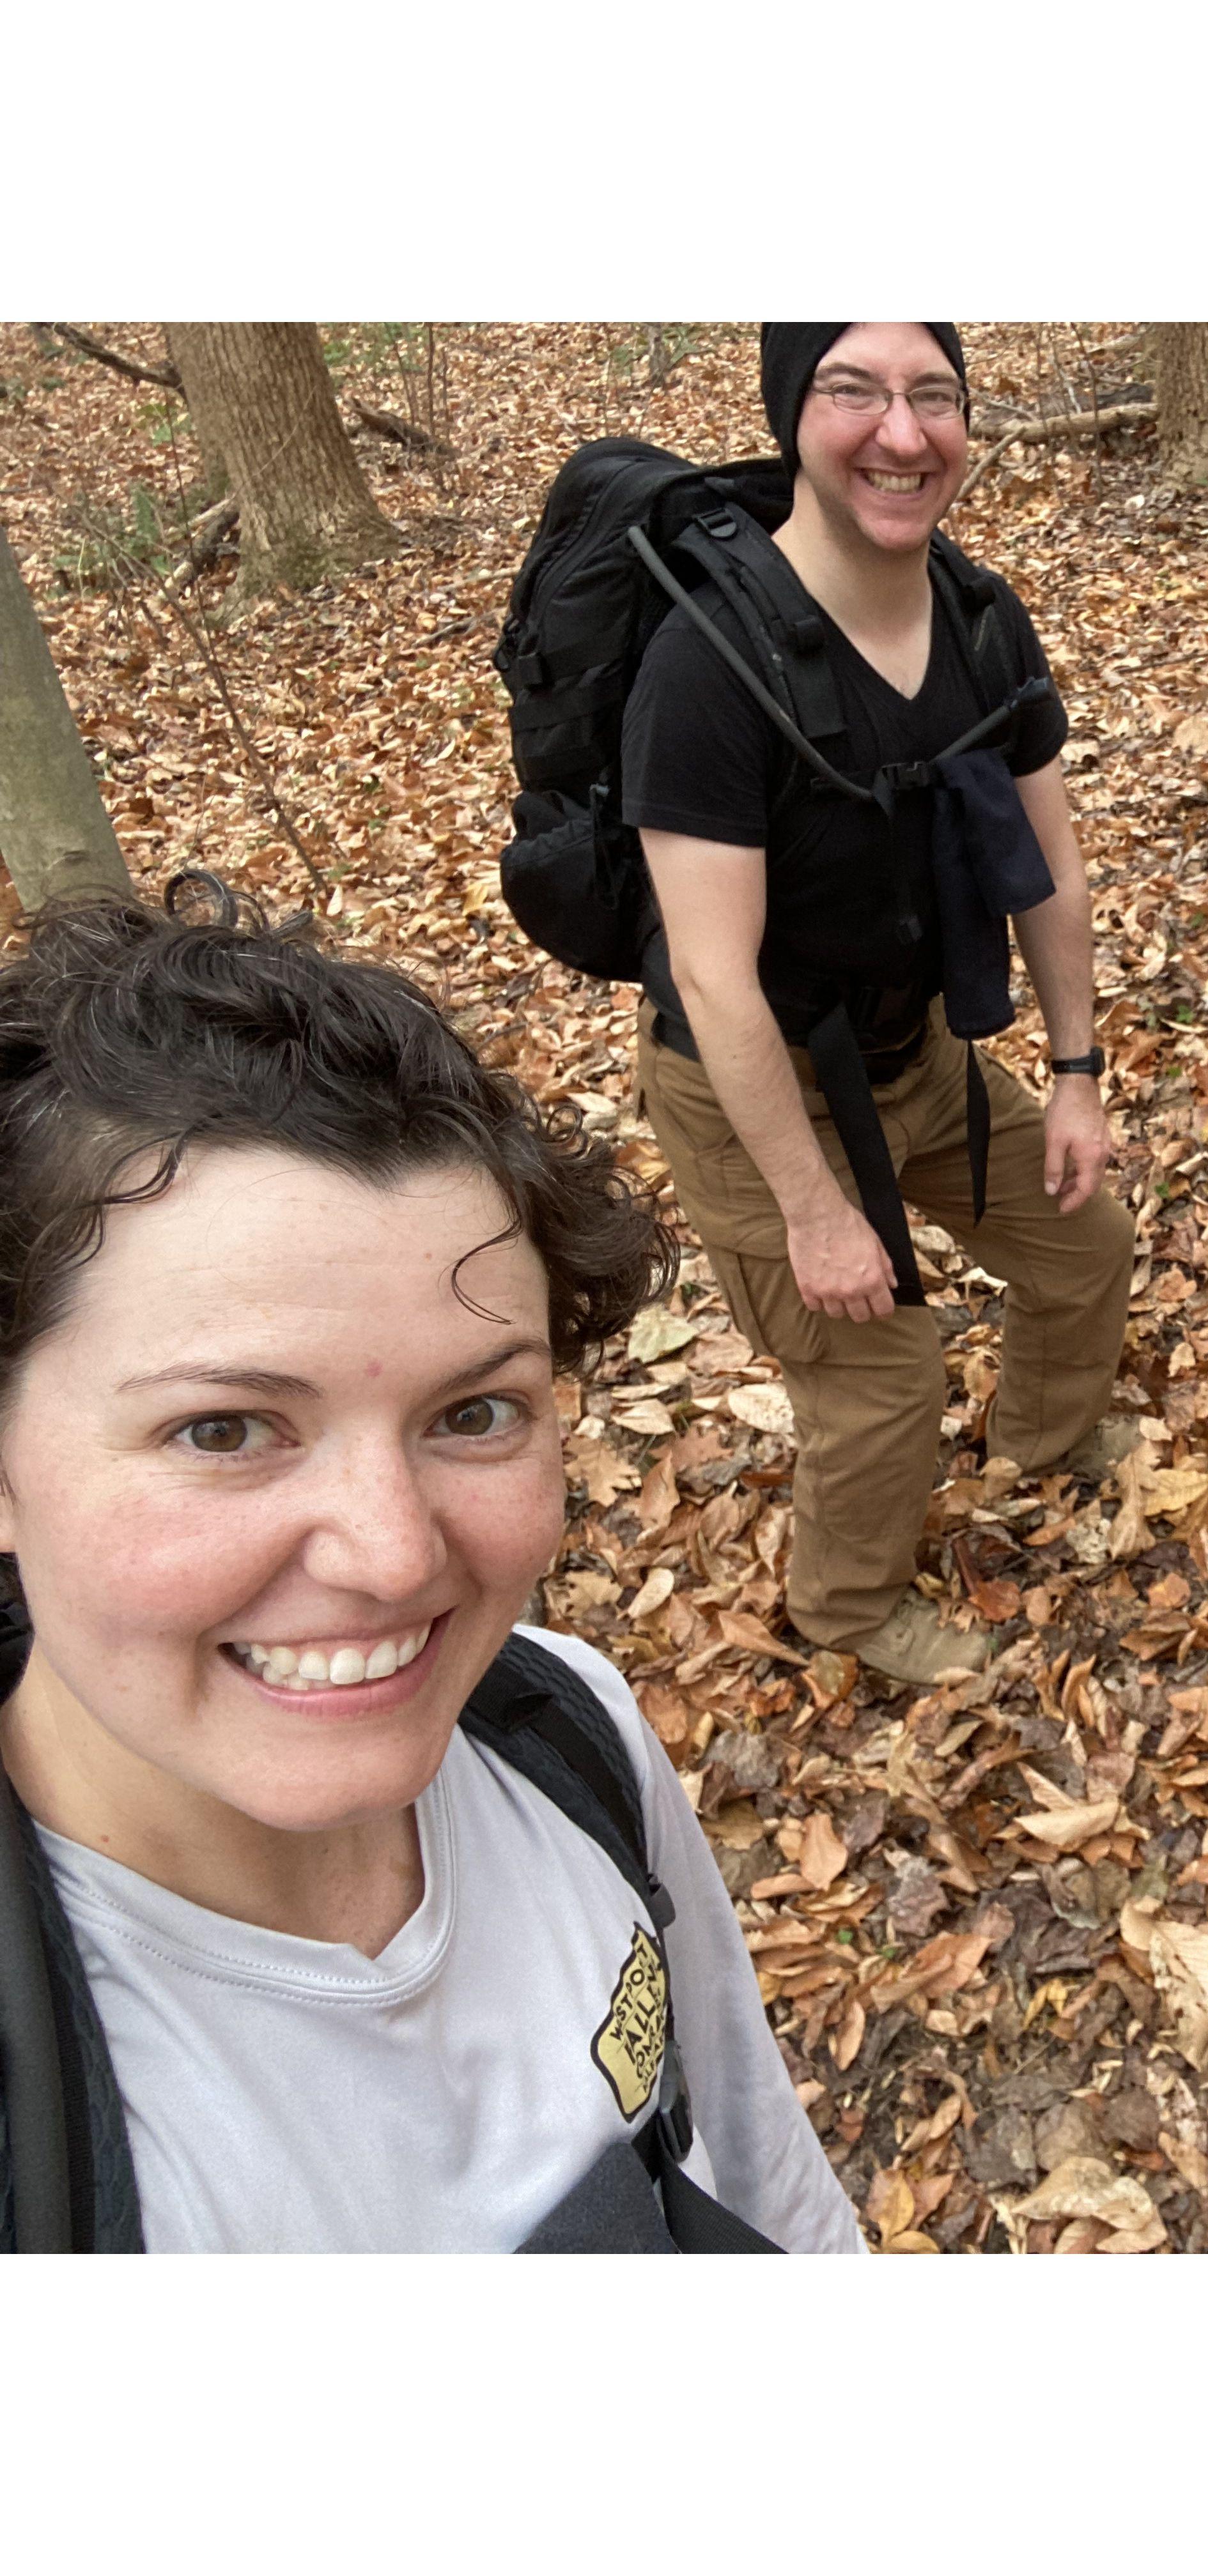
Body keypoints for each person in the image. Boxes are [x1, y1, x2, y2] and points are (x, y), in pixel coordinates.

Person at [0, 900, 861, 2251]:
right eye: (223, 1430)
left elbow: (758, 2174)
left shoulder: (560, 1730)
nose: (396, 1553)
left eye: (475, 1413)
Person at [625, 322, 1134, 1688]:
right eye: (852, 391)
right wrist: (811, 1209)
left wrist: (1076, 1071)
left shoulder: (980, 618)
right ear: (795, 415)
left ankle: (1045, 1437)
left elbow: (1054, 864)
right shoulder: (706, 671)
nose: (901, 433)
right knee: (883, 1376)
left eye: (934, 396)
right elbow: (709, 975)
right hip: (759, 1095)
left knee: (1086, 1247)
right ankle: (848, 1607)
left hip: (916, 1052)